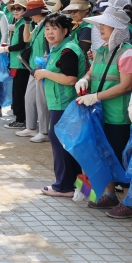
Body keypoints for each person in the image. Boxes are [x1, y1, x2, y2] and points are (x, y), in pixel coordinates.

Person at [75, 4, 132, 217]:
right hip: (100, 114)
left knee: (122, 158)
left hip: (119, 116)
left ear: (118, 29)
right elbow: (91, 74)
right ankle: (109, 195)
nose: (101, 28)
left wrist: (95, 96)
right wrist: (84, 81)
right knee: (104, 154)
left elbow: (126, 85)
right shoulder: (101, 50)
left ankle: (130, 203)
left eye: (106, 25)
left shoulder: (129, 54)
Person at [33, 13, 87, 197]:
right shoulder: (59, 48)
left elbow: (71, 79)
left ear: (65, 30)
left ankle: (64, 186)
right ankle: (69, 184)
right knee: (62, 141)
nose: (49, 32)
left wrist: (45, 73)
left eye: (54, 28)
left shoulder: (68, 50)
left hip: (65, 103)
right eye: (47, 28)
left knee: (60, 141)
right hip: (59, 102)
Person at [16, 0, 52, 142]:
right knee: (29, 98)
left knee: (41, 100)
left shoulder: (47, 26)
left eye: (32, 14)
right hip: (33, 68)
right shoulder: (38, 25)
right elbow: (26, 39)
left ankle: (44, 131)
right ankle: (31, 127)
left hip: (42, 67)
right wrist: (26, 23)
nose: (30, 16)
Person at [0, 0, 30, 129]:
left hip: (21, 64)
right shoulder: (18, 23)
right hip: (16, 62)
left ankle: (21, 120)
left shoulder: (24, 24)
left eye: (19, 8)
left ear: (25, 10)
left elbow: (22, 44)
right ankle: (19, 118)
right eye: (14, 9)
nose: (15, 11)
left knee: (19, 92)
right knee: (17, 91)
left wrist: (7, 48)